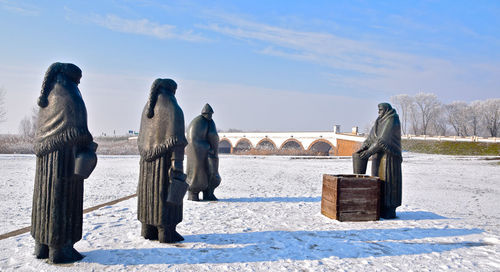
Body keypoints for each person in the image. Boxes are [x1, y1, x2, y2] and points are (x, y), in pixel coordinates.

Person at [31, 62, 97, 263]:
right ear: (73, 76)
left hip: (47, 160)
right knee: (61, 199)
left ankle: (42, 245)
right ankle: (60, 248)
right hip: (65, 159)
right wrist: (88, 142)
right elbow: (77, 127)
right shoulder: (70, 93)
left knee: (45, 198)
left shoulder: (50, 93)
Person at [137, 78, 188, 243]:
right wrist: (178, 168)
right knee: (165, 195)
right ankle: (166, 232)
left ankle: (148, 230)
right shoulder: (173, 108)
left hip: (146, 164)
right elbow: (177, 142)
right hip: (165, 164)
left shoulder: (147, 108)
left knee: (148, 195)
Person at [352, 103, 402, 219]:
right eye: (378, 110)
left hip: (388, 158)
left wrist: (369, 152)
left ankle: (389, 209)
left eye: (381, 110)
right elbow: (371, 138)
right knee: (378, 181)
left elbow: (383, 139)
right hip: (377, 156)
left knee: (389, 182)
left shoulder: (392, 119)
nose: (379, 112)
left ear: (386, 110)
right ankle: (379, 206)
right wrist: (364, 147)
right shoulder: (379, 121)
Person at [186, 103, 221, 201]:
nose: (210, 116)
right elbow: (213, 136)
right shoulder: (205, 122)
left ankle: (203, 193)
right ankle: (198, 193)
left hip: (197, 149)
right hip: (200, 149)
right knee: (198, 171)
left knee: (198, 170)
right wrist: (211, 148)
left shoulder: (204, 121)